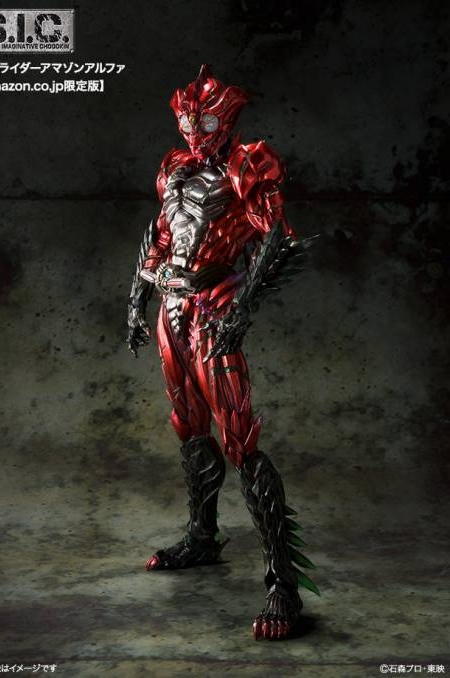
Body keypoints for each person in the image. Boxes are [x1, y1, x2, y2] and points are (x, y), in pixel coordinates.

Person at [127, 64, 319, 640]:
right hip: (172, 308)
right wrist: (136, 300)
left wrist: (241, 308)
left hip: (214, 307)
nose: (195, 132)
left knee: (240, 439)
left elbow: (277, 238)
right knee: (189, 428)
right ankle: (202, 537)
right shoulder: (174, 167)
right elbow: (162, 237)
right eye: (188, 122)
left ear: (228, 118)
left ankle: (282, 582)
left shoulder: (247, 165)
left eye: (206, 122)